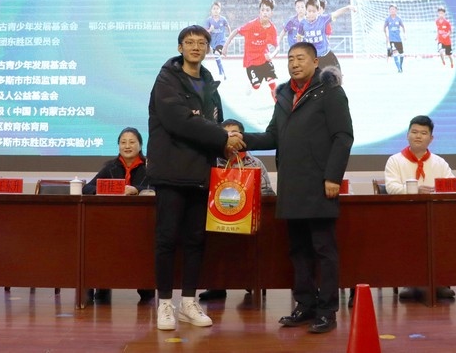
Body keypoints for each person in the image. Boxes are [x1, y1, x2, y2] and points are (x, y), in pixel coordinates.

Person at [244, 42, 353, 334]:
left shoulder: (330, 91)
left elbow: (343, 137)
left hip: (320, 185)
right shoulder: (283, 94)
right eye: (290, 58)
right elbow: (272, 136)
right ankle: (305, 305)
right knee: (298, 250)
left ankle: (327, 311)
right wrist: (240, 138)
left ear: (315, 62)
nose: (294, 63)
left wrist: (333, 177)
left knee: (323, 249)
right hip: (291, 186)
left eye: (301, 58)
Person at [147, 25, 245, 331]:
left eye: (201, 43)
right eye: (189, 42)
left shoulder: (209, 84)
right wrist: (222, 137)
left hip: (201, 173)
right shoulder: (167, 80)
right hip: (170, 173)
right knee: (166, 240)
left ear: (207, 49)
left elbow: (217, 125)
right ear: (180, 48)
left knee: (195, 240)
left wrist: (227, 141)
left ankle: (188, 302)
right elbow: (180, 121)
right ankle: (165, 304)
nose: (195, 47)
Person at [198, 118, 276, 302]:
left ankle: (250, 280)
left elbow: (268, 193)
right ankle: (216, 285)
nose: (231, 139)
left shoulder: (255, 163)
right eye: (226, 135)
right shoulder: (211, 162)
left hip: (247, 221)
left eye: (235, 134)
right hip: (218, 221)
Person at [383, 115, 456, 300]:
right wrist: (416, 190)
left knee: (444, 234)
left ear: (431, 138)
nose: (418, 136)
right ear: (407, 135)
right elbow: (391, 187)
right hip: (404, 215)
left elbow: (452, 186)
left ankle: (439, 282)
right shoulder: (395, 160)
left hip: (435, 215)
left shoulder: (440, 162)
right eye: (414, 132)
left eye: (423, 133)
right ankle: (411, 282)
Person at [82, 127, 154, 304]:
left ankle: (146, 288)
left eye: (132, 142)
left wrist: (136, 189)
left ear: (140, 145)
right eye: (123, 142)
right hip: (112, 223)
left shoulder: (150, 167)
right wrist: (108, 190)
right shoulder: (110, 167)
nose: (127, 146)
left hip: (140, 223)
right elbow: (87, 188)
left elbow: (158, 188)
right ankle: (100, 285)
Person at [222, 0, 279, 102]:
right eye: (262, 10)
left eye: (267, 10)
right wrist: (226, 45)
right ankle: (252, 83)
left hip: (265, 59)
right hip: (251, 60)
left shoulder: (272, 29)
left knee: (272, 83)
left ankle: (279, 106)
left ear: (272, 13)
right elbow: (236, 31)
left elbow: (277, 47)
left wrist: (271, 55)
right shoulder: (252, 25)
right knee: (256, 86)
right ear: (259, 12)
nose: (265, 12)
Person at [296, 0, 355, 70]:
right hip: (312, 57)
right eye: (309, 11)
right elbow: (299, 36)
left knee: (336, 74)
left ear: (318, 11)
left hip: (326, 54)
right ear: (306, 10)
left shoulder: (323, 19)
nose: (311, 14)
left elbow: (336, 13)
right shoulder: (302, 23)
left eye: (314, 11)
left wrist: (347, 8)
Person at [204, 1, 230, 80]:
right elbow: (205, 32)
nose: (215, 10)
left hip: (221, 41)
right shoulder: (208, 20)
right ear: (211, 10)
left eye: (217, 8)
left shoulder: (223, 19)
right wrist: (210, 30)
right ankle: (221, 72)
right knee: (217, 57)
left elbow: (228, 27)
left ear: (220, 10)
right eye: (214, 9)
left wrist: (230, 37)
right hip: (213, 43)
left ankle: (222, 74)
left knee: (217, 54)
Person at [384, 4, 406, 73]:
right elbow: (384, 28)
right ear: (389, 10)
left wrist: (404, 35)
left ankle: (400, 66)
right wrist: (386, 36)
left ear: (396, 10)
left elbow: (403, 27)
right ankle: (399, 68)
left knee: (401, 54)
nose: (392, 10)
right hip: (392, 39)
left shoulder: (399, 19)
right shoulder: (387, 19)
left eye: (393, 9)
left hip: (398, 39)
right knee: (395, 53)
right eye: (390, 9)